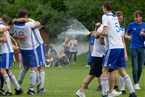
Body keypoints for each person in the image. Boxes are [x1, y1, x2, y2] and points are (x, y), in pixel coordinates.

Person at [95, 1, 137, 97]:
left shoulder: (105, 17)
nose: (102, 9)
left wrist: (97, 33)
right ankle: (132, 92)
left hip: (112, 48)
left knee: (104, 69)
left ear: (105, 7)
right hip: (120, 47)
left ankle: (104, 94)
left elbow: (105, 32)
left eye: (102, 7)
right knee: (122, 71)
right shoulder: (114, 17)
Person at [13, 9, 43, 95]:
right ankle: (31, 89)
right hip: (30, 48)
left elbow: (15, 34)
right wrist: (30, 19)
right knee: (34, 68)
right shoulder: (28, 24)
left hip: (22, 48)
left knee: (25, 68)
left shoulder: (15, 24)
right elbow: (39, 23)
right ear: (25, 16)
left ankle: (18, 86)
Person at [75, 24, 106, 97]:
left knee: (102, 72)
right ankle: (81, 90)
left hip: (100, 55)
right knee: (93, 74)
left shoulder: (102, 30)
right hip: (98, 56)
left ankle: (107, 90)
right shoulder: (102, 29)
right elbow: (100, 41)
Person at [0, 14, 23, 96]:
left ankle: (8, 91)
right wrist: (14, 47)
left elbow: (4, 39)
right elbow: (8, 40)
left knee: (2, 70)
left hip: (5, 51)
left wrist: (6, 27)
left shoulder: (1, 25)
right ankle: (18, 88)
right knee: (7, 70)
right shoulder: (4, 26)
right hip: (7, 51)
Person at [125, 10, 145, 90]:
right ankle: (136, 83)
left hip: (142, 48)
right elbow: (126, 34)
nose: (135, 18)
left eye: (137, 17)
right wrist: (128, 37)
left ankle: (137, 82)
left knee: (140, 67)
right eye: (135, 17)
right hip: (133, 48)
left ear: (141, 17)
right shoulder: (131, 25)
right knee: (135, 67)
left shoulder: (144, 25)